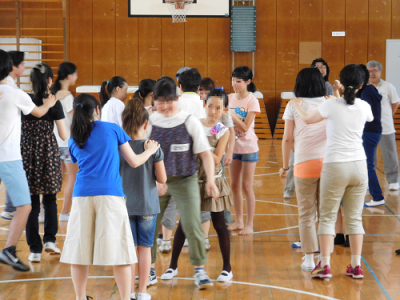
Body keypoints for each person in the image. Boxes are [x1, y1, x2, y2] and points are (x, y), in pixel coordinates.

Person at [60, 93, 160, 300]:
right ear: (97, 109)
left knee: (79, 253)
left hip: (81, 196)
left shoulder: (73, 138)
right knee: (121, 253)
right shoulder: (112, 129)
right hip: (110, 196)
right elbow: (133, 161)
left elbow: (80, 168)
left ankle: (80, 297)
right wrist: (150, 151)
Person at [291, 64, 373, 279]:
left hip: (335, 165)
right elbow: (348, 106)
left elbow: (308, 119)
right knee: (354, 218)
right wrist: (338, 93)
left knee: (326, 216)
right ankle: (356, 266)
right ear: (362, 84)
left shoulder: (331, 105)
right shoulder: (364, 106)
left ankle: (324, 265)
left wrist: (297, 105)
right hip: (359, 165)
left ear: (339, 81)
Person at [147, 76, 219, 289]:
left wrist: (211, 181)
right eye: (160, 101)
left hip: (186, 179)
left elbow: (206, 154)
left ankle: (199, 270)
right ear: (154, 101)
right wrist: (154, 181)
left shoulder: (189, 121)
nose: (166, 106)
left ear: (177, 99)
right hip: (156, 183)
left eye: (169, 101)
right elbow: (141, 154)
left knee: (192, 224)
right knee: (149, 226)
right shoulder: (149, 122)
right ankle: (149, 269)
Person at [161, 89, 234, 282]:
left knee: (219, 224)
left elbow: (217, 158)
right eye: (210, 106)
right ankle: (173, 267)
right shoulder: (195, 124)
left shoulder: (222, 130)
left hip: (213, 181)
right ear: (204, 105)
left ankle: (227, 268)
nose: (213, 111)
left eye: (218, 107)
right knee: (184, 225)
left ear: (224, 109)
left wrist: (200, 150)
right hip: (192, 182)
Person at [0, 50, 57, 272]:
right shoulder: (14, 93)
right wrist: (51, 103)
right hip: (9, 158)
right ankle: (9, 250)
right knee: (24, 205)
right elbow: (39, 112)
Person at [280, 68, 327, 271]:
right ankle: (325, 259)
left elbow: (287, 138)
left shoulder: (293, 105)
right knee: (326, 214)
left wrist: (284, 166)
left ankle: (309, 259)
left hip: (304, 164)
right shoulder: (329, 102)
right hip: (328, 164)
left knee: (306, 213)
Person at [120, 98, 167, 300]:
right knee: (145, 249)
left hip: (124, 206)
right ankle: (142, 292)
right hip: (148, 205)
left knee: (129, 251)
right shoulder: (154, 148)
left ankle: (129, 291)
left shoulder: (119, 147)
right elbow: (163, 179)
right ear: (146, 124)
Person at [21, 63, 68, 262]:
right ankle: (50, 240)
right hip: (48, 151)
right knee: (49, 199)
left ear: (31, 80)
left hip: (26, 152)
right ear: (50, 80)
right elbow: (64, 135)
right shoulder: (54, 102)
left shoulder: (24, 99)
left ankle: (34, 250)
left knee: (31, 202)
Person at [228, 66, 260, 236]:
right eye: (233, 80)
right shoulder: (229, 98)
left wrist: (230, 115)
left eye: (238, 81)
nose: (234, 84)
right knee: (234, 185)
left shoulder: (252, 101)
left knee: (247, 186)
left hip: (248, 148)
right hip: (232, 147)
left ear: (248, 82)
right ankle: (238, 220)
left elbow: (246, 126)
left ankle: (249, 224)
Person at [51, 62, 79, 221]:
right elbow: (77, 117)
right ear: (69, 76)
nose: (76, 77)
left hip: (54, 143)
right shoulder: (67, 96)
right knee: (73, 178)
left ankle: (42, 211)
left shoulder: (52, 94)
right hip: (66, 144)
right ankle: (65, 213)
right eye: (75, 74)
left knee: (57, 178)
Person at [367, 60, 400, 191]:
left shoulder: (388, 86)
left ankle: (393, 181)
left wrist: (387, 116)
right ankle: (370, 182)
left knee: (390, 155)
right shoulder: (363, 87)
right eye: (369, 71)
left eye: (375, 70)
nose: (372, 73)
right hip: (368, 128)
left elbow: (395, 103)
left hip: (385, 127)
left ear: (380, 72)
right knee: (369, 157)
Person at [1, 50, 25, 220]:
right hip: (7, 150)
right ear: (12, 66)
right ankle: (10, 208)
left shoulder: (11, 87)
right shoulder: (8, 88)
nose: (24, 67)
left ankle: (9, 207)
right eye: (22, 64)